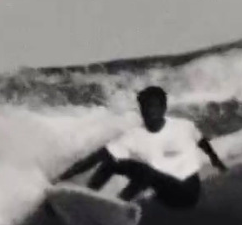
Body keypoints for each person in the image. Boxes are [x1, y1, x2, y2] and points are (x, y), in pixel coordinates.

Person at [54, 86, 228, 209]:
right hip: (162, 192)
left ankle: (118, 206)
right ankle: (87, 199)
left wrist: (216, 161)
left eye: (154, 107)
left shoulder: (183, 126)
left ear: (163, 108)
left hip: (187, 193)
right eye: (145, 107)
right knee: (112, 161)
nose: (149, 112)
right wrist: (61, 178)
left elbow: (201, 141)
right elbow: (96, 157)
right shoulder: (133, 136)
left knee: (147, 172)